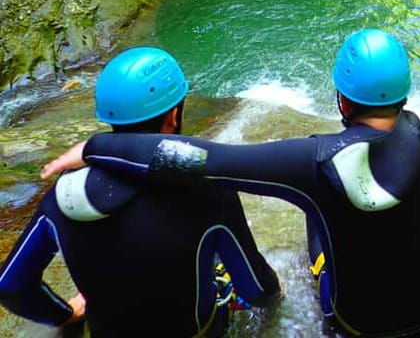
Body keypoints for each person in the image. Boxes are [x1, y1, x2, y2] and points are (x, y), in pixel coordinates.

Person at [40, 29, 420, 337]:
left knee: (317, 215)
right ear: (407, 94)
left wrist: (97, 146)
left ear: (339, 98)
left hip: (357, 324)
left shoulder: (306, 162)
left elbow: (201, 159)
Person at [0, 47, 280, 337]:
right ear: (173, 115)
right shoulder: (207, 189)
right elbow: (258, 290)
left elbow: (10, 285)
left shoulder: (65, 195)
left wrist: (65, 314)